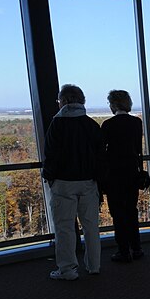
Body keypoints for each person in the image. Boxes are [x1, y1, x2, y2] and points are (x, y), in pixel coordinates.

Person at [42, 84, 104, 280]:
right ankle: (94, 265)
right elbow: (100, 156)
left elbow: (50, 154)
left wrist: (50, 178)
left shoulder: (57, 124)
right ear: (81, 100)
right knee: (91, 227)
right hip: (88, 183)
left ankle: (67, 269)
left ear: (64, 101)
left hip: (63, 183)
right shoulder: (91, 125)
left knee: (65, 228)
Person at [101, 90, 145, 263]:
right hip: (132, 173)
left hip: (114, 175)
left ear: (113, 104)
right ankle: (137, 248)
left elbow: (101, 151)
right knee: (131, 211)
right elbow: (137, 149)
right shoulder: (136, 122)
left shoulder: (107, 125)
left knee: (118, 213)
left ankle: (123, 250)